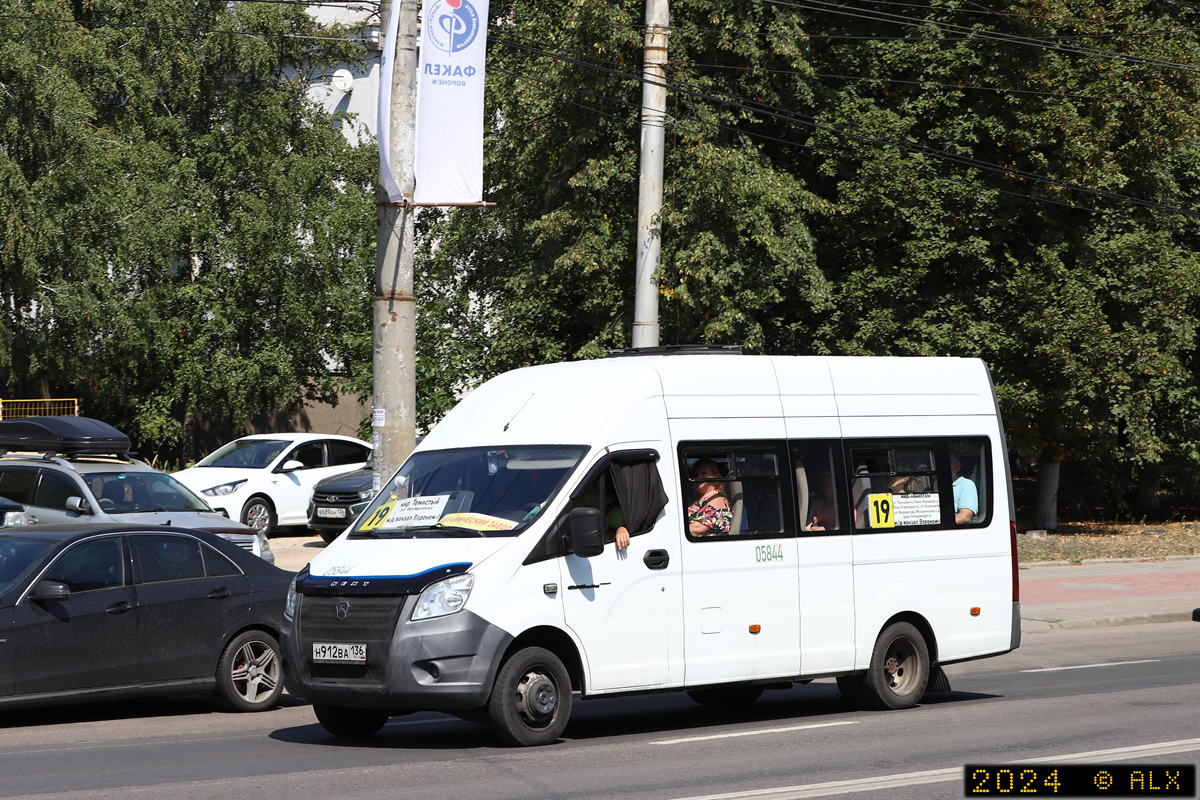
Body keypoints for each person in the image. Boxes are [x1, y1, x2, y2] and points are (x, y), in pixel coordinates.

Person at [687, 459, 732, 537]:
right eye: (696, 474)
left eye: (704, 473)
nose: (698, 477)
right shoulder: (702, 498)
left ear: (715, 476)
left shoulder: (716, 498)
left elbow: (697, 529)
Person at [950, 451, 978, 524]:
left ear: (958, 466)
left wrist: (939, 524)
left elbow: (965, 516)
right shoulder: (932, 488)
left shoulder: (966, 484)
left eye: (949, 462)